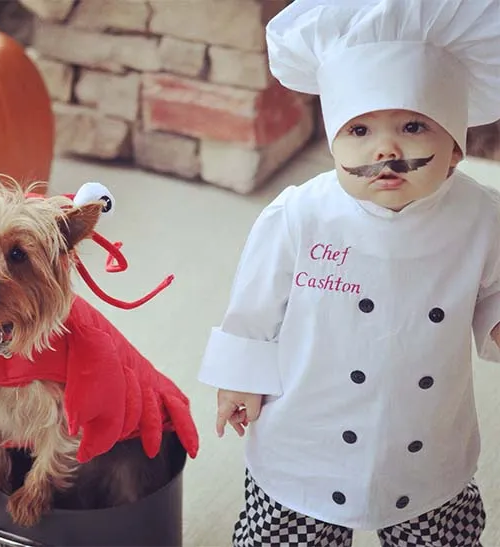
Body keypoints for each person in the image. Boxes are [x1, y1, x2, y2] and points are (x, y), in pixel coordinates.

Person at [198, 0, 500, 545]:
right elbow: (254, 310)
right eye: (358, 130)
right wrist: (239, 379)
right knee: (286, 530)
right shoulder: (299, 215)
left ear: (455, 148)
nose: (385, 149)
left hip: (426, 436)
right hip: (306, 431)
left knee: (439, 528)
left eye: (412, 125)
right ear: (333, 141)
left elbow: (495, 290)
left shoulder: (482, 216)